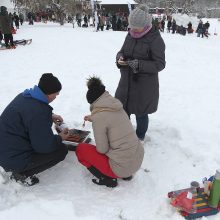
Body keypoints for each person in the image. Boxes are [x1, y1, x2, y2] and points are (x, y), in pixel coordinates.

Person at [0, 73, 70, 186]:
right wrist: (60, 137)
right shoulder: (38, 112)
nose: (57, 95)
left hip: (5, 150)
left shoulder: (25, 96)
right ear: (48, 93)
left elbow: (29, 113)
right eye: (55, 94)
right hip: (12, 159)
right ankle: (21, 173)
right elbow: (44, 147)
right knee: (61, 150)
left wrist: (50, 115)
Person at [75, 77, 144, 188]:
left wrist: (96, 120)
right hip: (137, 159)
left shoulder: (99, 118)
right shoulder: (117, 107)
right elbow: (110, 120)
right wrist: (95, 118)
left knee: (81, 149)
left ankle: (107, 179)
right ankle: (126, 174)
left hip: (121, 167)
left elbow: (102, 150)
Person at [115, 4, 166, 141]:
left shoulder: (155, 39)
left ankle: (140, 137)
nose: (134, 30)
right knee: (122, 111)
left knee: (141, 113)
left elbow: (160, 64)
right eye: (132, 26)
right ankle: (124, 136)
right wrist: (119, 57)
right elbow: (122, 50)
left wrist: (139, 64)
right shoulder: (130, 34)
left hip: (144, 85)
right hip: (126, 82)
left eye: (137, 27)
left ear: (146, 25)